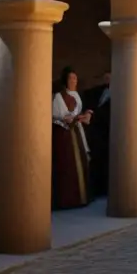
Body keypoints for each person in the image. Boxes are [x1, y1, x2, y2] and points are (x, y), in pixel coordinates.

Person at [52, 67, 92, 209]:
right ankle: (68, 199)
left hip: (76, 131)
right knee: (67, 165)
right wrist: (72, 118)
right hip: (65, 134)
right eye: (70, 78)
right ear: (65, 80)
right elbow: (59, 116)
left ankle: (81, 198)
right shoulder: (59, 96)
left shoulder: (77, 94)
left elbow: (79, 112)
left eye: (75, 78)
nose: (73, 81)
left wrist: (85, 115)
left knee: (80, 163)